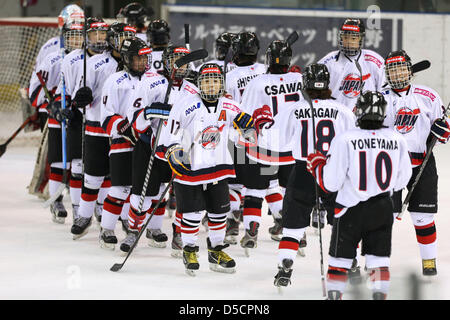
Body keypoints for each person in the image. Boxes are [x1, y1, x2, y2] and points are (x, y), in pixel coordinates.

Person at [306, 91, 412, 300]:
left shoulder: (345, 138)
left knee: (341, 259)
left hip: (350, 209)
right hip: (382, 208)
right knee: (378, 259)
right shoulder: (397, 139)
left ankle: (335, 296)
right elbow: (402, 180)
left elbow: (331, 183)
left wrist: (318, 167)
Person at [164, 63, 255, 275]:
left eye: (215, 80)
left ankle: (216, 250)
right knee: (193, 213)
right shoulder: (184, 104)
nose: (211, 85)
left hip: (218, 167)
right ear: (200, 83)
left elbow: (249, 134)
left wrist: (248, 126)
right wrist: (174, 150)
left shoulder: (231, 106)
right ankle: (189, 249)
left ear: (221, 83)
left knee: (219, 211)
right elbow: (171, 134)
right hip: (190, 168)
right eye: (206, 80)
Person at [272, 63, 355, 289]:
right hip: (332, 170)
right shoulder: (343, 110)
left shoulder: (293, 109)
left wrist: (261, 124)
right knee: (340, 218)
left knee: (293, 223)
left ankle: (285, 265)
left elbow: (276, 142)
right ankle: (351, 262)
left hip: (303, 171)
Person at [127, 44, 199, 257]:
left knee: (183, 194)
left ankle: (179, 234)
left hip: (178, 149)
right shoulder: (150, 82)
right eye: (176, 60)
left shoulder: (193, 90)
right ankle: (133, 230)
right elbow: (136, 121)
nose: (181, 65)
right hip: (151, 145)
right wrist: (150, 112)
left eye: (184, 61)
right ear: (166, 61)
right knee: (143, 194)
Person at [383, 50, 449, 276]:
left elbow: (444, 131)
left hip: (422, 162)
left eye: (401, 68)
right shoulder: (379, 96)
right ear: (387, 73)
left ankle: (429, 261)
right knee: (383, 217)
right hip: (389, 165)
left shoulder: (428, 95)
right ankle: (377, 261)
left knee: (423, 216)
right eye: (392, 69)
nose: (397, 73)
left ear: (410, 70)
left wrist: (443, 132)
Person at [237, 39, 303, 253]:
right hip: (291, 148)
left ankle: (251, 232)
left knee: (255, 190)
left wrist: (246, 143)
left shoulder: (257, 83)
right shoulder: (299, 79)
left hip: (265, 147)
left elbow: (244, 117)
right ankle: (298, 235)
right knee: (290, 193)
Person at [50, 17, 108, 230]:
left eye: (103, 33)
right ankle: (77, 208)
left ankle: (101, 206)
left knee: (103, 169)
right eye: (95, 34)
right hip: (77, 117)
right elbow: (63, 89)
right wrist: (60, 106)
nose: (99, 38)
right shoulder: (72, 59)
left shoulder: (113, 59)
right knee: (77, 166)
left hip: (101, 120)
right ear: (87, 36)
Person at [39, 17, 84, 223]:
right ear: (65, 38)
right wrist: (53, 107)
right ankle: (56, 201)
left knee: (77, 163)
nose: (75, 41)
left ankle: (78, 206)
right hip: (58, 117)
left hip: (78, 118)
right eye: (71, 37)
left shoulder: (86, 59)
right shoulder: (53, 58)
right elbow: (38, 90)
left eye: (78, 36)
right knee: (58, 161)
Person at [318, 18, 385, 109]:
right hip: (337, 117)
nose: (349, 41)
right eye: (345, 37)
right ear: (340, 38)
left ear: (360, 39)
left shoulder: (375, 61)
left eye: (353, 38)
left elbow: (384, 91)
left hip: (366, 119)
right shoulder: (328, 62)